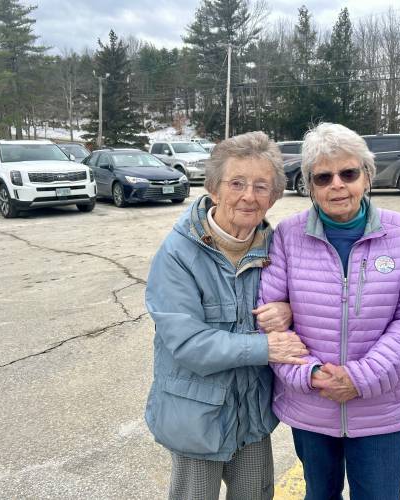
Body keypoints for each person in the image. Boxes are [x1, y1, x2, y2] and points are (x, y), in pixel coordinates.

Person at [259, 123, 400, 500]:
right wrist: (311, 375)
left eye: (348, 173)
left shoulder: (399, 232)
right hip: (311, 406)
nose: (337, 184)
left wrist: (360, 378)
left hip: (380, 408)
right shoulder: (287, 236)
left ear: (366, 177)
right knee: (319, 495)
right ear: (310, 186)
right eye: (323, 177)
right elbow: (269, 323)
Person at [145, 131, 308, 500]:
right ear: (214, 189)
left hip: (252, 416)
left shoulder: (277, 248)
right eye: (237, 183)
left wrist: (290, 308)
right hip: (196, 416)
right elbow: (187, 344)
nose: (248, 196)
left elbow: (313, 302)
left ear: (273, 197)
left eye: (261, 186)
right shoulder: (178, 254)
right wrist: (265, 347)